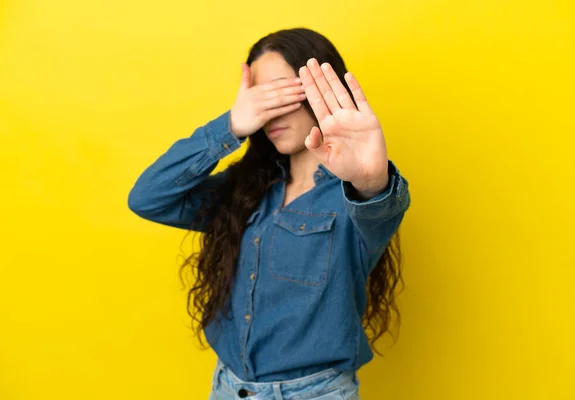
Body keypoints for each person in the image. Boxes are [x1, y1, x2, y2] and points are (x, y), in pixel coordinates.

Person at [128, 27, 410, 400]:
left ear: (324, 89)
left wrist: (372, 180)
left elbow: (378, 204)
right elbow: (148, 197)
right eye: (259, 98)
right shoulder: (245, 189)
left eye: (281, 91)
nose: (269, 110)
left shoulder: (354, 196)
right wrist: (230, 125)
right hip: (228, 388)